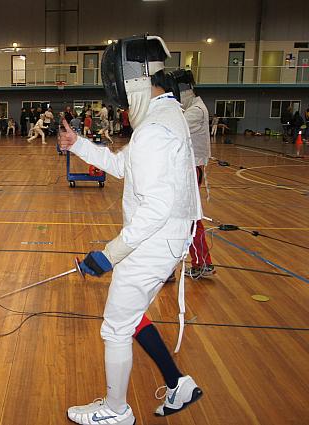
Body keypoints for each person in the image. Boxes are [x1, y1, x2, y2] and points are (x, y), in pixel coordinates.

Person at [60, 36, 203, 425]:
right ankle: (177, 383)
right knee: (131, 314)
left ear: (133, 79)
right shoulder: (164, 116)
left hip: (154, 239)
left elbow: (156, 208)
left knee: (115, 327)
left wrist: (110, 254)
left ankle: (116, 410)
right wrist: (78, 145)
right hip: (164, 237)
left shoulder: (156, 128)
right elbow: (126, 167)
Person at [169, 69, 214, 278]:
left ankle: (201, 263)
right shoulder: (191, 108)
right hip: (185, 170)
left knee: (187, 220)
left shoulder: (196, 111)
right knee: (184, 219)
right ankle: (200, 263)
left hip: (190, 171)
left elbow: (171, 130)